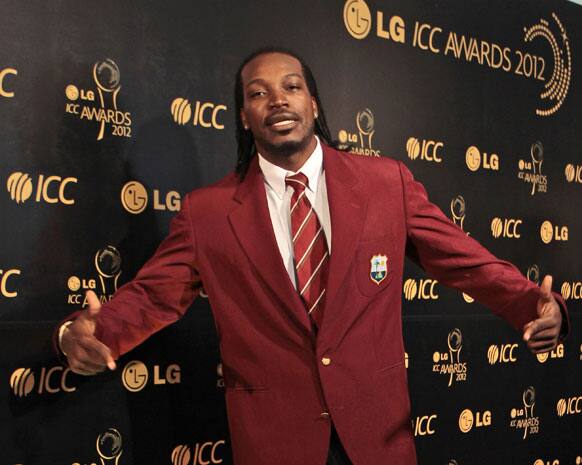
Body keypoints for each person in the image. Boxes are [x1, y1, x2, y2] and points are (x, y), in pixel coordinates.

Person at [56, 48, 568, 465]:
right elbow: (152, 296)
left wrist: (532, 304)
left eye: (291, 87)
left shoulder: (385, 183)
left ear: (315, 104)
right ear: (243, 115)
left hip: (377, 441)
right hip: (274, 445)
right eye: (258, 93)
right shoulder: (207, 213)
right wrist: (88, 334)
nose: (276, 100)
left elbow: (464, 259)